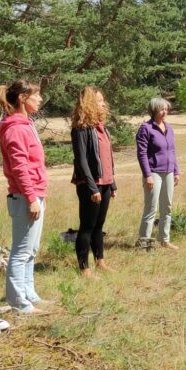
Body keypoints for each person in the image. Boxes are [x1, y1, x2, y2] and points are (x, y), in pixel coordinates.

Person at [0, 80, 52, 314]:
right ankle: (18, 302)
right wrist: (31, 198)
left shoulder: (26, 125)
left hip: (34, 194)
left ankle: (29, 294)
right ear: (22, 98)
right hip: (25, 197)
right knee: (21, 252)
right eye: (36, 95)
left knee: (31, 250)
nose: (40, 99)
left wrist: (37, 196)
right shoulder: (16, 129)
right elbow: (20, 168)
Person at [71, 86, 117, 278]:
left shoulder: (101, 128)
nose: (103, 104)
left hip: (105, 183)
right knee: (87, 227)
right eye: (99, 101)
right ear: (89, 104)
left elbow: (108, 158)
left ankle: (100, 261)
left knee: (99, 225)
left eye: (103, 100)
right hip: (90, 185)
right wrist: (92, 188)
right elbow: (81, 161)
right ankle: (84, 268)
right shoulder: (81, 129)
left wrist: (112, 184)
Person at [136, 97, 180, 250]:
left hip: (168, 172)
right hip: (153, 173)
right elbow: (141, 154)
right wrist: (147, 175)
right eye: (162, 109)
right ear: (154, 110)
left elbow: (172, 151)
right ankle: (144, 243)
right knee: (151, 208)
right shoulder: (146, 128)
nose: (165, 112)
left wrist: (176, 171)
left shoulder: (169, 128)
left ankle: (164, 240)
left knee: (167, 207)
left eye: (166, 109)